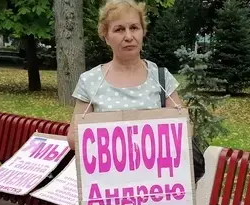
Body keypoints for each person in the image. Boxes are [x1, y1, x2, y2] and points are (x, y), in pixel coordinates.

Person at [67, 0, 183, 150]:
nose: (128, 36)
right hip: (108, 172)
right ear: (106, 36)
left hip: (156, 172)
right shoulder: (89, 81)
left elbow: (182, 129)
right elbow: (73, 138)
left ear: (143, 32)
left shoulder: (162, 78)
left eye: (134, 28)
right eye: (119, 29)